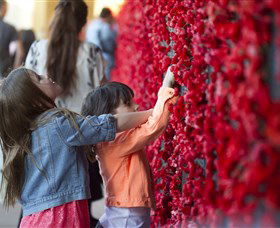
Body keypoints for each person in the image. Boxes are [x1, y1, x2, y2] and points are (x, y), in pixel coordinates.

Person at [0, 67, 153, 228]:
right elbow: (108, 124)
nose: (45, 75)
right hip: (59, 218)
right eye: (38, 78)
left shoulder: (27, 134)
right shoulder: (58, 123)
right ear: (34, 101)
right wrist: (151, 114)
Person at [81, 66, 177, 227]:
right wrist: (167, 85)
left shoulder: (107, 141)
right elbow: (153, 126)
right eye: (127, 103)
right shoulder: (115, 140)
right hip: (128, 214)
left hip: (122, 210)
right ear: (110, 117)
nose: (136, 106)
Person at [25, 0, 106, 113]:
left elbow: (28, 88)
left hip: (45, 123)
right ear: (83, 23)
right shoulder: (92, 51)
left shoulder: (36, 48)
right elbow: (102, 92)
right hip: (84, 124)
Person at [86, 7, 117, 80]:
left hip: (100, 54)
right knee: (104, 78)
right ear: (108, 16)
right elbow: (96, 42)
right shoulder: (99, 25)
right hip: (102, 54)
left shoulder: (97, 24)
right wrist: (100, 57)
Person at [0, 0, 22, 78]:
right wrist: (14, 73)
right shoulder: (10, 28)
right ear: (3, 8)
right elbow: (20, 52)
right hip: (4, 71)